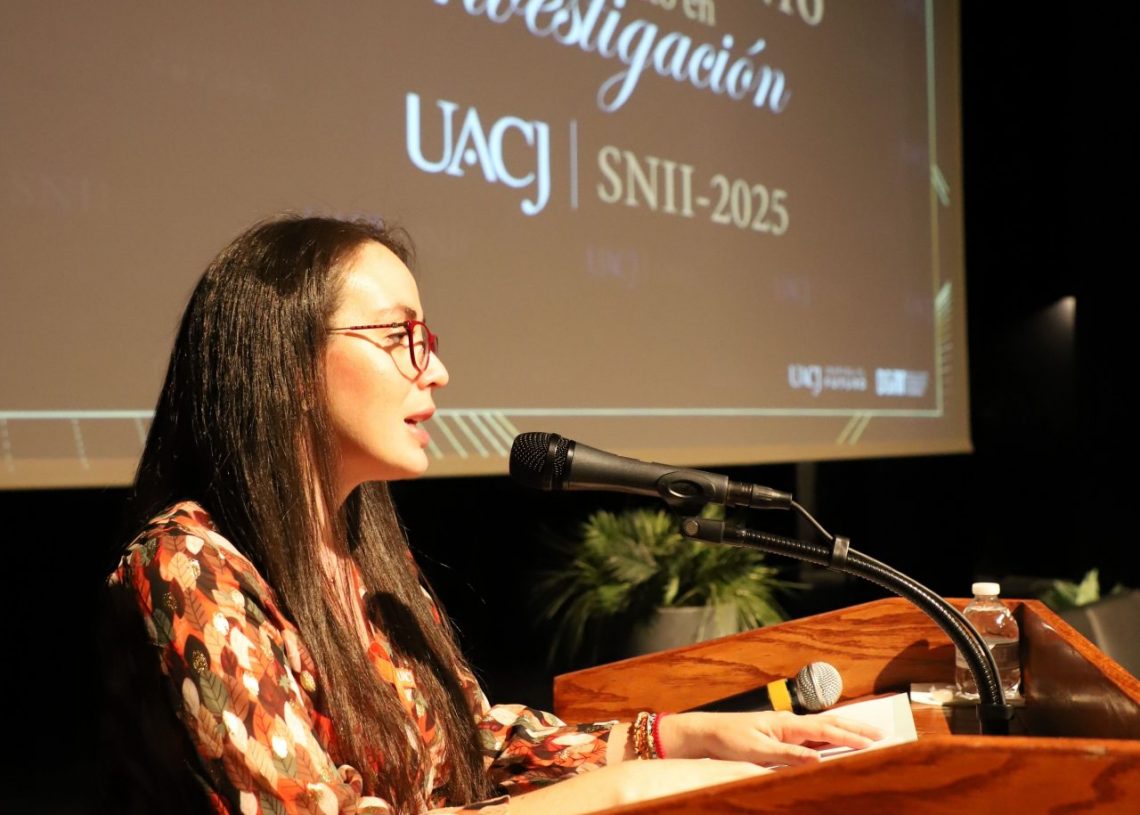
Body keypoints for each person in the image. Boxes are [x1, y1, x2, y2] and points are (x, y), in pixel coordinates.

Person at [99, 215, 881, 815]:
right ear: (289, 365)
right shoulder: (186, 567)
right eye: (399, 337)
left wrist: (683, 734)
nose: (436, 369)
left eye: (426, 338)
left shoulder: (361, 549)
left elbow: (473, 746)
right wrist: (620, 789)